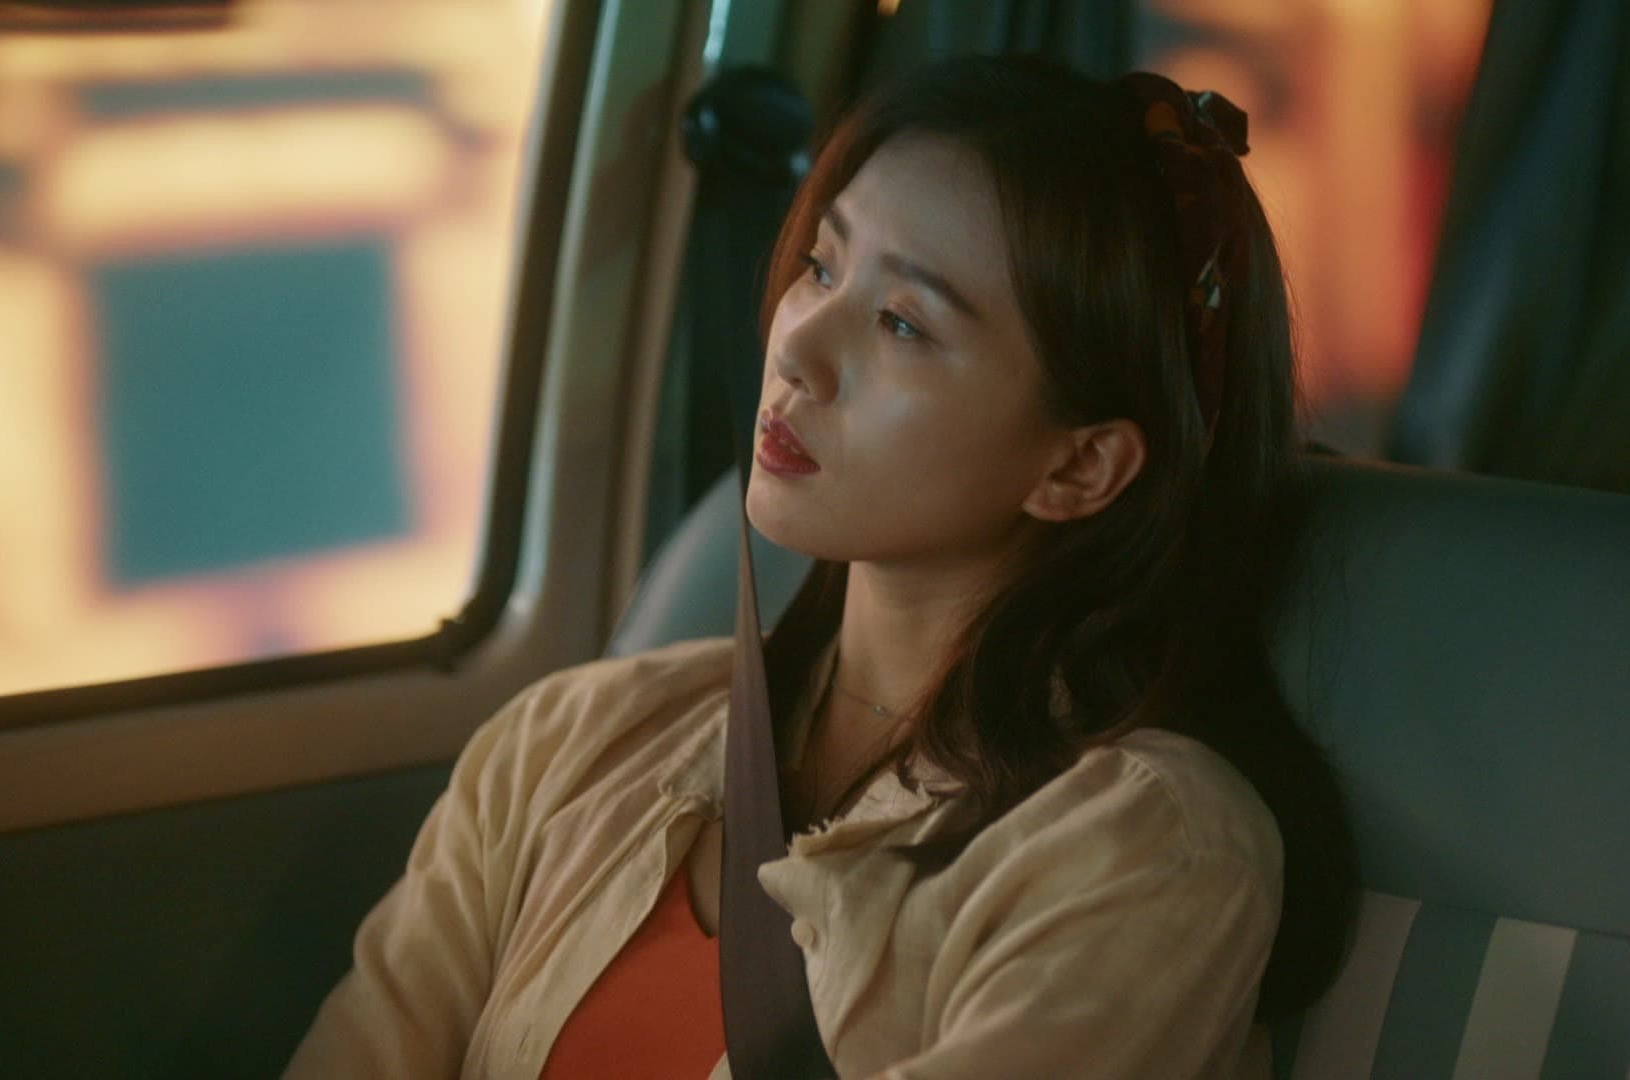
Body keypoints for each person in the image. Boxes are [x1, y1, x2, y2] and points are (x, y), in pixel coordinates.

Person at [287, 53, 1356, 1079]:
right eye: (820, 266)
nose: (796, 347)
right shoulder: (565, 743)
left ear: (1077, 467)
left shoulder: (1142, 847)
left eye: (902, 322)